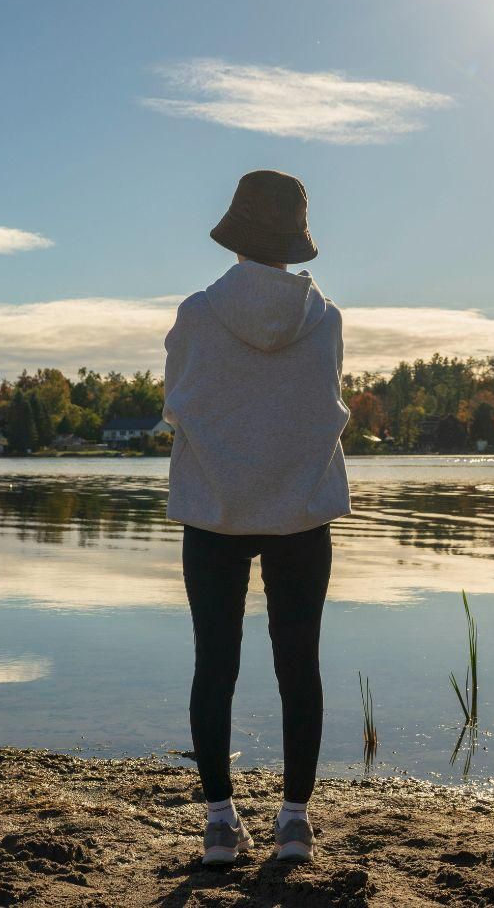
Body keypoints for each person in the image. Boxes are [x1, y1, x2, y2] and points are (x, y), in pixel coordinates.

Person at [161, 169, 351, 866]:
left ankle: (218, 824)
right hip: (302, 510)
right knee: (299, 666)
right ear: (293, 242)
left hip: (213, 509)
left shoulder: (197, 313)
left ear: (236, 235)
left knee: (216, 665)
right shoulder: (325, 319)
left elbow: (178, 404)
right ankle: (295, 824)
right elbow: (321, 407)